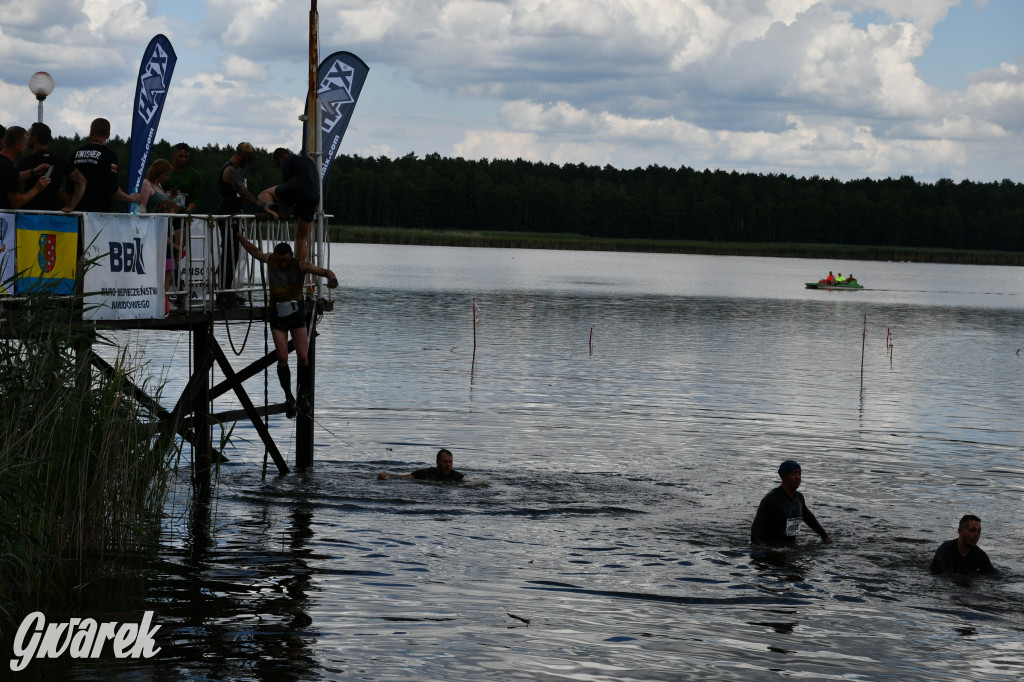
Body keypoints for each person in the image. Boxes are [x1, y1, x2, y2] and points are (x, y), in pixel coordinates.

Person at [234, 229, 338, 417]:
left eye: (285, 261)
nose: (282, 264)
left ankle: (303, 396)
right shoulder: (271, 260)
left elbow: (323, 271)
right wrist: (239, 236)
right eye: (280, 261)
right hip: (277, 315)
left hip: (296, 315)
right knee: (282, 357)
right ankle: (289, 396)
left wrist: (332, 278)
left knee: (303, 357)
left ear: (291, 257)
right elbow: (255, 252)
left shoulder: (300, 265)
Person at [216, 142, 270, 307]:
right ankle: (223, 294)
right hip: (228, 215)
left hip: (235, 215)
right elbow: (244, 193)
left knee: (233, 255)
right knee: (229, 255)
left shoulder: (236, 170)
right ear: (243, 155)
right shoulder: (230, 170)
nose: (250, 161)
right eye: (249, 158)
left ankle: (228, 292)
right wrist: (263, 206)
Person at [751, 460, 832, 546]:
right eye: (793, 473)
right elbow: (756, 526)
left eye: (799, 473)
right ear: (784, 476)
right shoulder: (772, 498)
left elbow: (809, 518)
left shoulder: (799, 498)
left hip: (790, 547)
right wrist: (757, 549)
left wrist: (824, 536)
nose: (798, 477)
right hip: (771, 549)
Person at [257, 148, 320, 260]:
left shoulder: (287, 161)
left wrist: (287, 202)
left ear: (281, 157)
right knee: (302, 237)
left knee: (264, 193)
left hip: (296, 188)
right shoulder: (309, 161)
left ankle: (271, 207)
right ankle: (299, 270)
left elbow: (288, 184)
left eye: (277, 164)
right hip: (313, 195)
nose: (279, 167)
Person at [72, 118, 141, 212]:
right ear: (108, 135)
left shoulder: (76, 153)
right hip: (99, 215)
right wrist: (130, 198)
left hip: (75, 212)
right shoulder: (108, 155)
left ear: (91, 132)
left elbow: (69, 187)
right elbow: (112, 188)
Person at [17, 122, 87, 212]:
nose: (26, 138)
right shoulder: (60, 160)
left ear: (34, 138)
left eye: (28, 135)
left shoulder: (25, 162)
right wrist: (71, 207)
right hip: (52, 217)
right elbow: (82, 181)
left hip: (28, 216)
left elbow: (20, 190)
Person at [0, 126, 51, 211]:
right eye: (25, 143)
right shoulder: (9, 168)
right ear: (17, 144)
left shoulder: (5, 165)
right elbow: (16, 202)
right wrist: (37, 189)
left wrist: (33, 172)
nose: (25, 147)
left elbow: (7, 178)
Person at [930, 515, 997, 576]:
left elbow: (993, 573)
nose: (976, 535)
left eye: (979, 531)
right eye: (972, 530)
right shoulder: (945, 550)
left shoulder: (979, 554)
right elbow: (948, 577)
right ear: (960, 531)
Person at [378, 449, 467, 482]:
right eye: (445, 462)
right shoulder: (426, 473)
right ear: (437, 462)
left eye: (450, 462)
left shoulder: (456, 476)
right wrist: (387, 476)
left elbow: (471, 484)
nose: (448, 465)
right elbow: (404, 477)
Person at [166, 143, 202, 213]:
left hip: (183, 215)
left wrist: (187, 211)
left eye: (186, 157)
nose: (183, 159)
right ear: (173, 155)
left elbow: (196, 197)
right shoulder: (164, 171)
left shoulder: (195, 175)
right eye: (180, 156)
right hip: (163, 213)